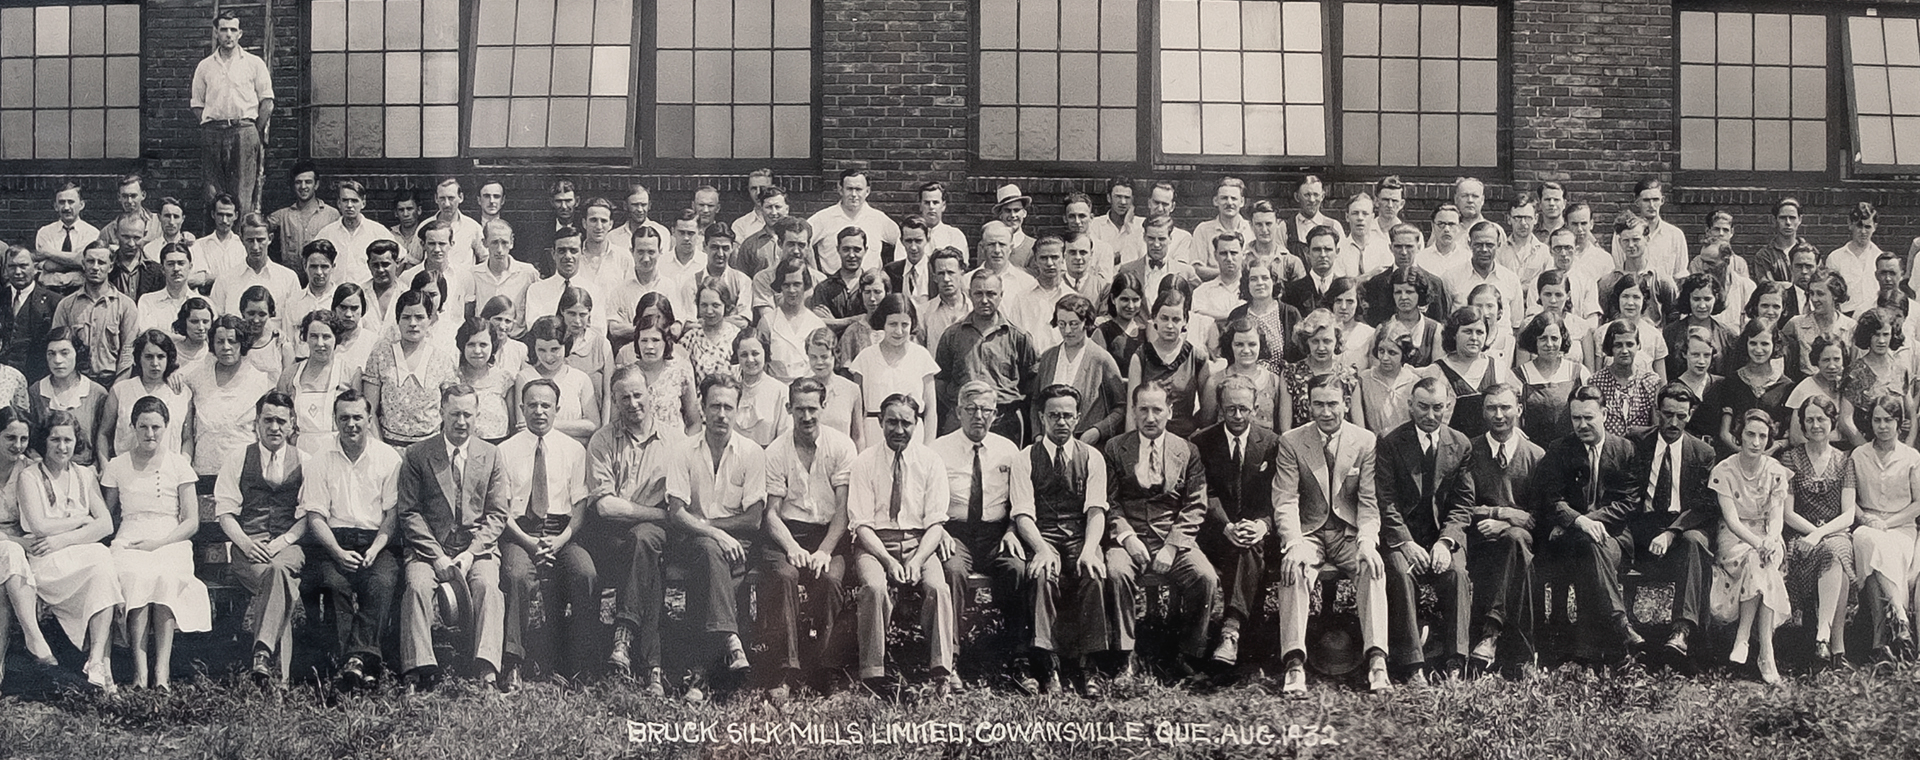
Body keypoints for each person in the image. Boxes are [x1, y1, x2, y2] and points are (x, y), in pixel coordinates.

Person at [1273, 374, 1391, 694]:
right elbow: (1285, 499)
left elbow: (1368, 501)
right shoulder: (1292, 441)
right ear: (1307, 404)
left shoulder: (1365, 441)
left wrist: (1367, 540)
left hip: (1348, 532)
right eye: (1318, 404)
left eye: (1333, 404)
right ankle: (1295, 662)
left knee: (1372, 565)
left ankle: (1377, 659)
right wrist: (1293, 542)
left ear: (1346, 404)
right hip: (1310, 531)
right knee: (1293, 568)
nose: (1326, 412)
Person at [396, 385, 511, 691]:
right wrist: (437, 556)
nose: (461, 421)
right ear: (441, 414)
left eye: (468, 414)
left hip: (477, 548)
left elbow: (497, 514)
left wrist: (472, 553)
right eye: (455, 414)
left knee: (488, 587)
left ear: (477, 416)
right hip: (428, 548)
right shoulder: (418, 454)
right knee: (417, 587)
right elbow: (409, 513)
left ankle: (486, 669)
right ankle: (419, 670)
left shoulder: (491, 454)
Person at [1103, 382, 1216, 681]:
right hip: (1129, 537)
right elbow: (1109, 502)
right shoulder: (1115, 448)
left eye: (1157, 410)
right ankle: (1126, 655)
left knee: (1205, 577)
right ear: (1133, 411)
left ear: (1170, 411)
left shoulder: (1187, 449)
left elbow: (1195, 504)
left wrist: (1172, 545)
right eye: (1143, 410)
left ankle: (1185, 654)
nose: (1150, 418)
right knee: (1115, 573)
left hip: (1172, 537)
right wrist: (1127, 538)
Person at [665, 374, 767, 702]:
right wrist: (712, 531)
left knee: (710, 569)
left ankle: (699, 676)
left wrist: (716, 528)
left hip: (740, 542)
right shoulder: (683, 451)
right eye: (715, 406)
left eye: (728, 407)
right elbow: (677, 512)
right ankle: (731, 642)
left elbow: (753, 518)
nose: (721, 414)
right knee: (709, 553)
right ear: (702, 409)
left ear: (738, 411)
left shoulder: (751, 453)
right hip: (691, 540)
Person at [847, 393, 957, 695]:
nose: (899, 429)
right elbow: (861, 524)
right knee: (875, 588)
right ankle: (873, 673)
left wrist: (918, 560)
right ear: (880, 422)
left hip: (918, 542)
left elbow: (936, 522)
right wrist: (888, 561)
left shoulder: (930, 461)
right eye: (891, 422)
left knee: (938, 588)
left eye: (906, 423)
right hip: (875, 544)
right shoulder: (865, 462)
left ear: (917, 424)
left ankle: (942, 671)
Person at [1008, 383, 1112, 696]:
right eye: (1054, 415)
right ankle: (1048, 665)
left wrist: (1091, 550)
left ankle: (1087, 665)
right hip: (1043, 534)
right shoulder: (1026, 458)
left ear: (1078, 418)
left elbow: (1096, 511)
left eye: (1067, 415)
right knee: (1040, 575)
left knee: (1093, 574)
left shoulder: (1093, 457)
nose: (1061, 422)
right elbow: (1023, 513)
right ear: (1041, 418)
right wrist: (1040, 548)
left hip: (1080, 534)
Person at [581, 366, 678, 695]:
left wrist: (645, 515)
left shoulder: (675, 440)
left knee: (644, 540)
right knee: (644, 553)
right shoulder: (603, 439)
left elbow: (683, 504)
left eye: (638, 394)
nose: (633, 403)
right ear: (616, 401)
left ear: (649, 393)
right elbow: (605, 507)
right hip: (612, 536)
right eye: (624, 398)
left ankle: (622, 637)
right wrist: (656, 513)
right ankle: (653, 668)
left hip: (658, 535)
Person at [757, 376, 855, 700]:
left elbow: (842, 511)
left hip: (830, 532)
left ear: (824, 407)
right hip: (787, 532)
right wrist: (793, 548)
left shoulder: (842, 446)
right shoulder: (776, 451)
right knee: (784, 576)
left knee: (829, 581)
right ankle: (785, 669)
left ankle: (825, 668)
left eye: (813, 409)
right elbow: (770, 514)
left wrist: (825, 550)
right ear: (789, 409)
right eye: (800, 409)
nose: (807, 417)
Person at [297, 389, 403, 689]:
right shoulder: (320, 460)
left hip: (376, 539)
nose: (351, 424)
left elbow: (392, 514)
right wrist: (337, 552)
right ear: (335, 420)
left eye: (358, 417)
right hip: (334, 540)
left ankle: (353, 661)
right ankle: (361, 661)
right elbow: (315, 517)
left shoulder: (387, 457)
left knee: (381, 582)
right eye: (344, 418)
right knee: (334, 585)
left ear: (369, 419)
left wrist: (377, 547)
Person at [1535, 385, 1647, 662]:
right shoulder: (1560, 449)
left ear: (1605, 414)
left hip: (1615, 538)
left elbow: (1628, 501)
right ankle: (1618, 628)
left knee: (1592, 546)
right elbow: (1550, 497)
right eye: (1576, 419)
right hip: (1570, 542)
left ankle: (1590, 645)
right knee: (1588, 545)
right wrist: (1577, 521)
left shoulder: (1625, 449)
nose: (1582, 425)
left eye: (1589, 418)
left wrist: (1585, 521)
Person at [496, 378, 597, 683]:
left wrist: (560, 540)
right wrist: (528, 541)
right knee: (514, 574)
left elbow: (579, 507)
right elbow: (500, 509)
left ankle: (579, 659)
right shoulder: (504, 451)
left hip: (562, 532)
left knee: (585, 573)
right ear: (522, 408)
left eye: (546, 406)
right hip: (519, 531)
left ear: (557, 409)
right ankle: (513, 660)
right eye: (532, 405)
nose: (539, 412)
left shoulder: (574, 450)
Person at [1376, 378, 1476, 682]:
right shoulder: (1390, 442)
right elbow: (1386, 501)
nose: (1430, 415)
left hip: (1441, 539)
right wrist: (1405, 543)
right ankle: (1412, 663)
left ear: (1447, 407)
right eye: (1422, 407)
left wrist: (1446, 543)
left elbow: (1463, 503)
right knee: (1399, 572)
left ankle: (1455, 660)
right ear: (1410, 405)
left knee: (1457, 575)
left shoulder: (1460, 444)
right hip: (1403, 539)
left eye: (1437, 408)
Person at [17, 409, 124, 693]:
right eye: (55, 440)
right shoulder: (30, 476)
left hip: (74, 554)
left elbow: (105, 525)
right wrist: (80, 520)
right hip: (45, 561)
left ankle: (97, 659)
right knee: (102, 565)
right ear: (44, 441)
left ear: (77, 442)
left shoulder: (85, 474)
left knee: (103, 562)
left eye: (68, 440)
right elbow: (39, 525)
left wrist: (63, 539)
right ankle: (101, 664)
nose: (62, 447)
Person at [932, 381, 1028, 679]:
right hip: (954, 532)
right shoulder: (938, 449)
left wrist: (1012, 530)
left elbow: (1019, 500)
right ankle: (951, 660)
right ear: (958, 411)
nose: (978, 416)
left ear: (996, 414)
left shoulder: (1009, 450)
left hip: (996, 533)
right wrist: (940, 530)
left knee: (1017, 569)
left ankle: (1017, 655)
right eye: (971, 409)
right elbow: (930, 501)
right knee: (952, 572)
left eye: (986, 410)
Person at [213, 392, 307, 687]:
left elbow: (307, 515)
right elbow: (226, 511)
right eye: (268, 420)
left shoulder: (305, 461)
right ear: (257, 424)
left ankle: (262, 653)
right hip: (248, 548)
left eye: (281, 421)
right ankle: (279, 676)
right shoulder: (239, 458)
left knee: (279, 571)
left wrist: (280, 544)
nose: (274, 427)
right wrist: (246, 544)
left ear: (292, 425)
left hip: (288, 546)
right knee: (280, 582)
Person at [1190, 376, 1279, 670]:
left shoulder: (1271, 443)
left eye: (1243, 409)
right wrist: (1226, 526)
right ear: (1220, 410)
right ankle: (1235, 629)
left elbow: (1275, 496)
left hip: (1257, 533)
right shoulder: (1201, 442)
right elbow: (1204, 491)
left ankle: (1230, 630)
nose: (1237, 416)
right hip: (1214, 533)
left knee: (1250, 545)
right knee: (1244, 548)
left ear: (1255, 408)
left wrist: (1262, 525)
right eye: (1230, 409)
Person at [1464, 384, 1544, 674]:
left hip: (1520, 544)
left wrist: (1509, 523)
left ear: (1519, 410)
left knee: (1515, 539)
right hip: (1479, 542)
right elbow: (1460, 507)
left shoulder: (1535, 455)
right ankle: (1523, 654)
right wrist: (1500, 513)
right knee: (1515, 537)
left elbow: (1537, 516)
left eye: (1506, 407)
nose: (1499, 415)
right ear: (1483, 412)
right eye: (1492, 408)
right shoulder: (1469, 451)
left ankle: (1491, 632)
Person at [1711, 409, 1792, 683]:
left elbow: (1777, 516)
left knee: (1765, 561)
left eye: (1762, 436)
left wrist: (1770, 539)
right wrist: (1758, 543)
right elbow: (1732, 520)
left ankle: (1745, 639)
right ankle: (1765, 653)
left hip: (1768, 534)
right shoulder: (1724, 470)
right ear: (1739, 434)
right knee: (1760, 561)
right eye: (1750, 434)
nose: (1756, 442)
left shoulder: (1776, 471)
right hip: (1735, 537)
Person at [1779, 396, 1857, 665]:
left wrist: (1820, 535)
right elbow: (1788, 513)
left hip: (1834, 532)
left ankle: (1823, 636)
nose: (1815, 425)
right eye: (1809, 419)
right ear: (1801, 423)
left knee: (1837, 550)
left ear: (1832, 422)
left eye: (1821, 419)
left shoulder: (1845, 460)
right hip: (1800, 534)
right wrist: (1812, 533)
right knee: (1837, 556)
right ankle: (1836, 648)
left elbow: (1848, 514)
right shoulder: (1789, 458)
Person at [1850, 394, 1920, 661]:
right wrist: (1867, 519)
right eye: (1877, 420)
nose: (1882, 426)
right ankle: (1900, 619)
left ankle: (1879, 641)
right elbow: (1851, 501)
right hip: (1867, 525)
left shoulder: (1911, 457)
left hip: (1901, 527)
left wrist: (1886, 523)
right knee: (1868, 540)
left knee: (1875, 553)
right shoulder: (1859, 455)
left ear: (1899, 423)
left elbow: (1918, 503)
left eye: (1888, 420)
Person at [934, 270, 1038, 440]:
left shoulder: (1019, 337)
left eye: (991, 294)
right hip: (962, 420)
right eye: (978, 293)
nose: (984, 300)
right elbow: (940, 380)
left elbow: (1031, 382)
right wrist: (961, 406)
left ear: (1001, 295)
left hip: (1005, 422)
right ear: (969, 294)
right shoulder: (952, 335)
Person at [192, 11, 274, 216]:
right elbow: (197, 104)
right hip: (213, 131)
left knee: (242, 193)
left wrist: (253, 131)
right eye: (223, 30)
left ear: (240, 34)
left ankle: (239, 243)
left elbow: (267, 102)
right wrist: (210, 125)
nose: (228, 34)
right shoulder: (205, 66)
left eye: (233, 30)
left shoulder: (254, 63)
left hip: (244, 130)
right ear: (216, 33)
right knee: (212, 192)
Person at [0, 408, 59, 688]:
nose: (18, 445)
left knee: (4, 583)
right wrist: (15, 542)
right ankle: (33, 636)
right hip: (11, 546)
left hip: (20, 548)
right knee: (10, 554)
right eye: (10, 437)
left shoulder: (29, 469)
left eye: (24, 438)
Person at [362, 290, 458, 446]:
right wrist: (382, 449)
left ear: (430, 320)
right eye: (406, 317)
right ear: (398, 320)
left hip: (430, 449)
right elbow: (369, 411)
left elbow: (450, 410)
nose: (413, 323)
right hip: (389, 447)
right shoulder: (380, 355)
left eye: (419, 317)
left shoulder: (442, 359)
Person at [1034, 294, 1126, 445]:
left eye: (1074, 324)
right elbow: (1036, 401)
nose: (1067, 330)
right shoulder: (1048, 357)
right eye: (1062, 324)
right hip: (1048, 442)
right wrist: (1038, 434)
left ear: (1086, 322)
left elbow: (1120, 407)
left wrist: (1098, 430)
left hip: (1086, 444)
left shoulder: (1101, 358)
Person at [1127, 285, 1211, 439]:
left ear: (1185, 321)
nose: (1170, 325)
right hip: (1147, 437)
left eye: (1176, 319)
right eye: (1164, 318)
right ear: (1154, 319)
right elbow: (1131, 411)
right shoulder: (1140, 356)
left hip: (1184, 439)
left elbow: (1207, 412)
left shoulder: (1197, 357)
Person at [52, 242, 139, 389]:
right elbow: (58, 348)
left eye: (101, 262)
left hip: (112, 382)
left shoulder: (126, 305)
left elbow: (128, 352)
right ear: (83, 264)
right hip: (76, 382)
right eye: (91, 261)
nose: (95, 267)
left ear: (110, 267)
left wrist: (116, 389)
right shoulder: (66, 305)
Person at [98, 329, 195, 462]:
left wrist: (183, 467)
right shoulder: (121, 390)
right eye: (149, 357)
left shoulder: (182, 393)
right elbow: (103, 434)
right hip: (127, 472)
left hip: (168, 473)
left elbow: (187, 438)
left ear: (169, 358)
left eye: (161, 356)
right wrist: (105, 466)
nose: (155, 363)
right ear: (139, 358)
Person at [1421, 307, 1517, 439]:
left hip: (1490, 448)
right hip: (1452, 447)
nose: (1474, 338)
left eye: (1479, 332)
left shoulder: (1498, 367)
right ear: (1454, 334)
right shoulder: (1437, 371)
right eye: (1467, 332)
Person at [28, 328, 110, 468]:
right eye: (51, 354)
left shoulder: (97, 393)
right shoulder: (36, 391)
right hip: (45, 471)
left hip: (87, 472)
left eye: (64, 353)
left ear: (77, 354)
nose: (57, 360)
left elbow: (104, 440)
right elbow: (29, 441)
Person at [278, 312, 353, 455]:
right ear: (305, 338)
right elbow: (279, 416)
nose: (320, 343)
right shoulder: (290, 375)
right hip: (298, 454)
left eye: (326, 336)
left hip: (338, 452)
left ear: (336, 339)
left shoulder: (349, 374)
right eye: (313, 336)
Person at [1515, 310, 1590, 444]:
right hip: (1535, 451)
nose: (1549, 344)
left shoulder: (1579, 372)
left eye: (1554, 338)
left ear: (1562, 339)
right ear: (1534, 340)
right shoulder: (1518, 376)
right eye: (1543, 338)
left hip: (1571, 451)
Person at [1200, 317, 1285, 431]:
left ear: (1261, 345)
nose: (1246, 350)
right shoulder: (1215, 381)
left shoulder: (1273, 380)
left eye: (1252, 344)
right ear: (1230, 345)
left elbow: (1279, 426)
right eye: (1239, 344)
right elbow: (1206, 427)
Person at [1589, 320, 1664, 437]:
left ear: (1638, 345)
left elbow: (1655, 427)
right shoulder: (1596, 382)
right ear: (1610, 347)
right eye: (1618, 345)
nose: (1624, 351)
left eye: (1629, 344)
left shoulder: (1651, 382)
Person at [1285, 309, 1358, 429]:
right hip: (1301, 444)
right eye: (1315, 341)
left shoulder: (1349, 375)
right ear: (1306, 342)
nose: (1321, 347)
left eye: (1327, 341)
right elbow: (1285, 430)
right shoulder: (1291, 374)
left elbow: (1358, 426)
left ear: (1337, 341)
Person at [1786, 337, 1862, 448]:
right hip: (1815, 451)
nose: (1831, 366)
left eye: (1836, 359)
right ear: (1817, 361)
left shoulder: (1845, 385)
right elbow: (1796, 438)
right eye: (1826, 360)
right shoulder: (1805, 389)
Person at [3, 245, 62, 381]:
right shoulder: (2, 297)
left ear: (36, 268)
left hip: (38, 378)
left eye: (23, 266)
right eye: (12, 266)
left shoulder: (54, 302)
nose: (17, 272)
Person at [677, 278, 744, 384]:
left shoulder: (737, 335)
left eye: (715, 305)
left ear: (725, 305)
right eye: (704, 305)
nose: (709, 311)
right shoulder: (690, 339)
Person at [730, 331, 790, 448]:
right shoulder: (730, 389)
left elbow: (785, 437)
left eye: (755, 353)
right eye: (744, 355)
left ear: (765, 353)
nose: (750, 360)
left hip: (767, 459)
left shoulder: (780, 391)